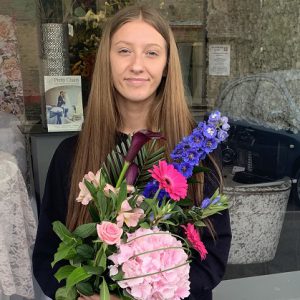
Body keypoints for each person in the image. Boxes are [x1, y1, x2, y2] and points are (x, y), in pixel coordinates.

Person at [32, 5, 231, 300]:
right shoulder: (70, 155)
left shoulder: (193, 152)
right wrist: (78, 294)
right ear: (106, 61)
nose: (137, 65)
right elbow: (48, 254)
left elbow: (212, 257)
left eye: (151, 53)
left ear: (166, 66)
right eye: (124, 51)